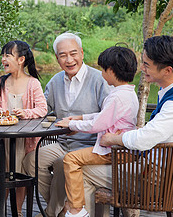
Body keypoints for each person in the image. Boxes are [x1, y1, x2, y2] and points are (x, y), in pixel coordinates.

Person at [82, 35, 173, 217]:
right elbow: (154, 132)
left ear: (167, 70)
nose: (142, 68)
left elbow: (143, 139)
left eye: (147, 65)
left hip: (161, 182)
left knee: (83, 171)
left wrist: (112, 138)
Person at [22, 32, 110, 217]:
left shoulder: (99, 80)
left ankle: (51, 212)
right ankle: (61, 208)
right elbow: (43, 109)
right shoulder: (54, 82)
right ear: (57, 58)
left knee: (63, 164)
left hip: (89, 147)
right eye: (63, 55)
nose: (69, 60)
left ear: (82, 53)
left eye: (73, 53)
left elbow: (108, 117)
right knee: (31, 161)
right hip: (62, 144)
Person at [55, 46, 138, 217]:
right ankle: (78, 208)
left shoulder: (116, 96)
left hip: (111, 150)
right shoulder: (128, 93)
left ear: (112, 71)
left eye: (103, 69)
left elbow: (98, 125)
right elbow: (103, 116)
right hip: (120, 149)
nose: (101, 73)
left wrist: (72, 126)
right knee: (75, 160)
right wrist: (80, 118)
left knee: (71, 159)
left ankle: (76, 209)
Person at [0, 40, 48, 216]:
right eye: (2, 55)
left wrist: (25, 112)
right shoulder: (2, 82)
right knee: (3, 175)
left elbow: (42, 109)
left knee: (19, 174)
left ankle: (17, 212)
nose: (3, 59)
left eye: (7, 55)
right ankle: (0, 212)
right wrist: (0, 112)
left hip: (26, 141)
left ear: (20, 60)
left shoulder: (33, 83)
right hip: (5, 139)